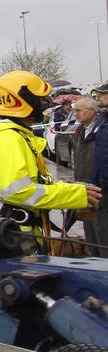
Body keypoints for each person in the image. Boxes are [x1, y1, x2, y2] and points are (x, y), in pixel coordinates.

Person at [0, 71, 100, 241]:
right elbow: (18, 191)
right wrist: (74, 195)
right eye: (39, 99)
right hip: (14, 236)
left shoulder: (13, 136)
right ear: (22, 100)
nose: (44, 104)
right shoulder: (8, 139)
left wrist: (69, 187)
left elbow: (28, 182)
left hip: (15, 230)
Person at [71, 96, 105, 251]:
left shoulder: (102, 131)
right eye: (74, 111)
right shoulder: (79, 131)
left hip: (100, 190)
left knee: (103, 235)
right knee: (91, 235)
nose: (75, 114)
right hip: (84, 190)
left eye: (79, 110)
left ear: (92, 111)